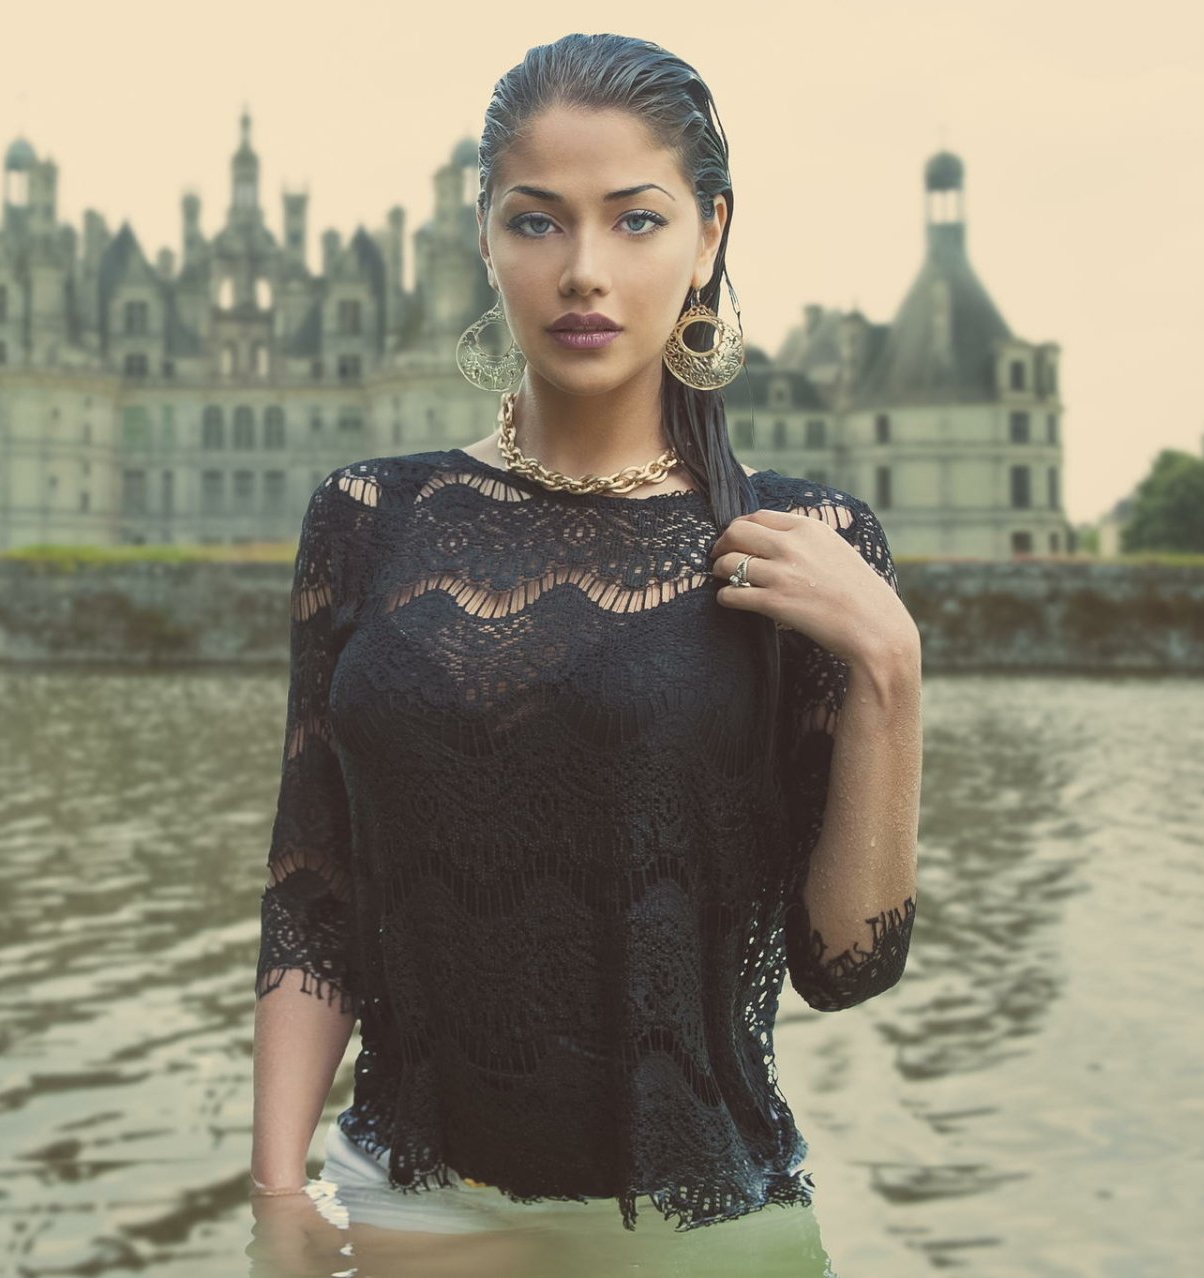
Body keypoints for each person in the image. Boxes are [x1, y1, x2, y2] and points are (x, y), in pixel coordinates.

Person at [247, 32, 923, 1278]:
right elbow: (314, 893)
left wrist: (889, 668)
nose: (584, 271)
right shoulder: (367, 518)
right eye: (539, 222)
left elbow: (847, 967)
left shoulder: (801, 544)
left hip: (704, 1229)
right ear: (486, 238)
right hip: (410, 1213)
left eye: (636, 220)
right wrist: (278, 1193)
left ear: (710, 235)